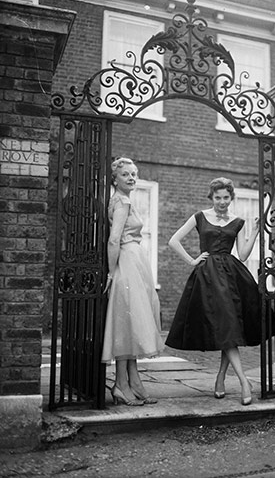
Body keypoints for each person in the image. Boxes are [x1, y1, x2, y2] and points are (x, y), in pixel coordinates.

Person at [165, 177, 264, 406]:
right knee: (226, 328)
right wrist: (192, 260)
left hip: (231, 277)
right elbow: (174, 240)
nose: (222, 202)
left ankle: (221, 378)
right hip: (208, 278)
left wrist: (256, 231)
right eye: (218, 197)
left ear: (231, 197)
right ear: (212, 197)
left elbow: (244, 254)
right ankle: (243, 382)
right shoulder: (199, 217)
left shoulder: (237, 221)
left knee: (227, 328)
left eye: (226, 197)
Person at [101, 157, 164, 406]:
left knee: (132, 323)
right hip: (126, 263)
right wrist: (110, 272)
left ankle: (133, 381)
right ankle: (121, 384)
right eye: (126, 174)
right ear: (115, 178)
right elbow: (113, 240)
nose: (132, 178)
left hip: (134, 262)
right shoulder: (122, 201)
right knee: (128, 322)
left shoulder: (123, 200)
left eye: (134, 174)